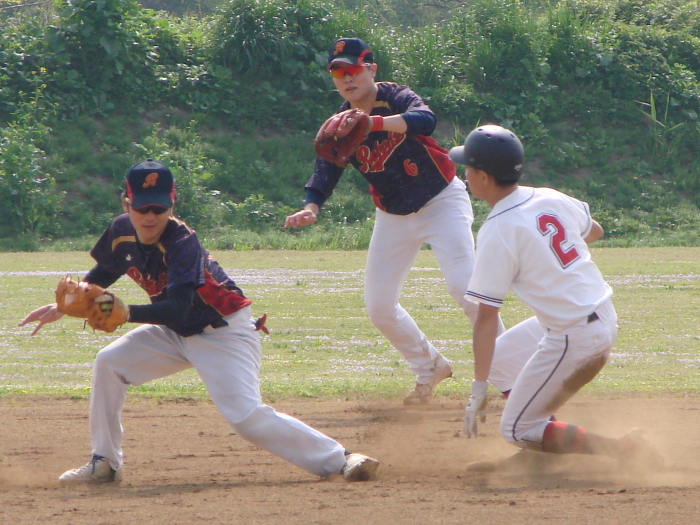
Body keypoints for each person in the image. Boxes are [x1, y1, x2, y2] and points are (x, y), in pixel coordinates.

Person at [19, 159, 379, 484]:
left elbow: (177, 308)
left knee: (245, 417)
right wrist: (73, 301)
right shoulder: (121, 230)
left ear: (172, 204)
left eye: (159, 208)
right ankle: (105, 463)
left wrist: (127, 313)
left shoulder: (182, 241)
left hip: (222, 331)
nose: (150, 216)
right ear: (126, 204)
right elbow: (109, 268)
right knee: (109, 363)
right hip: (175, 332)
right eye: (142, 207)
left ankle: (342, 459)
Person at [284, 38, 503, 405]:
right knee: (380, 307)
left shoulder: (394, 96)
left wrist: (374, 123)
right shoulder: (341, 122)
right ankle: (429, 367)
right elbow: (326, 169)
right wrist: (312, 207)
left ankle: (513, 371)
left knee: (465, 288)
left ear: (371, 69)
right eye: (338, 72)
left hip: (441, 201)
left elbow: (426, 120)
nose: (346, 78)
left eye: (353, 69)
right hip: (393, 215)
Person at [449, 125, 663, 469]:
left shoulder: (498, 230)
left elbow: (486, 318)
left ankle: (623, 449)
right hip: (597, 314)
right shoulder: (547, 196)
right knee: (501, 359)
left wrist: (477, 390)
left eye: (469, 169)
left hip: (575, 334)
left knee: (516, 429)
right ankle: (543, 444)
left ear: (484, 177)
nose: (465, 175)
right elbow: (594, 231)